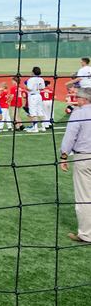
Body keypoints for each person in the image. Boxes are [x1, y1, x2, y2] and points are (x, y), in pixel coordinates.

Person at [59, 87, 91, 243]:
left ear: (84, 100)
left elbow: (70, 136)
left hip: (84, 158)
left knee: (84, 197)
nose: (76, 99)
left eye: (78, 97)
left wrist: (64, 155)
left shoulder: (78, 113)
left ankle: (86, 234)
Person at [25, 67, 47, 132]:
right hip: (39, 95)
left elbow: (29, 89)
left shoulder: (31, 79)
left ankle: (35, 127)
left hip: (33, 96)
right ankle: (43, 127)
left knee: (33, 112)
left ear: (33, 72)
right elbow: (42, 88)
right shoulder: (41, 79)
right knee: (40, 111)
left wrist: (26, 87)